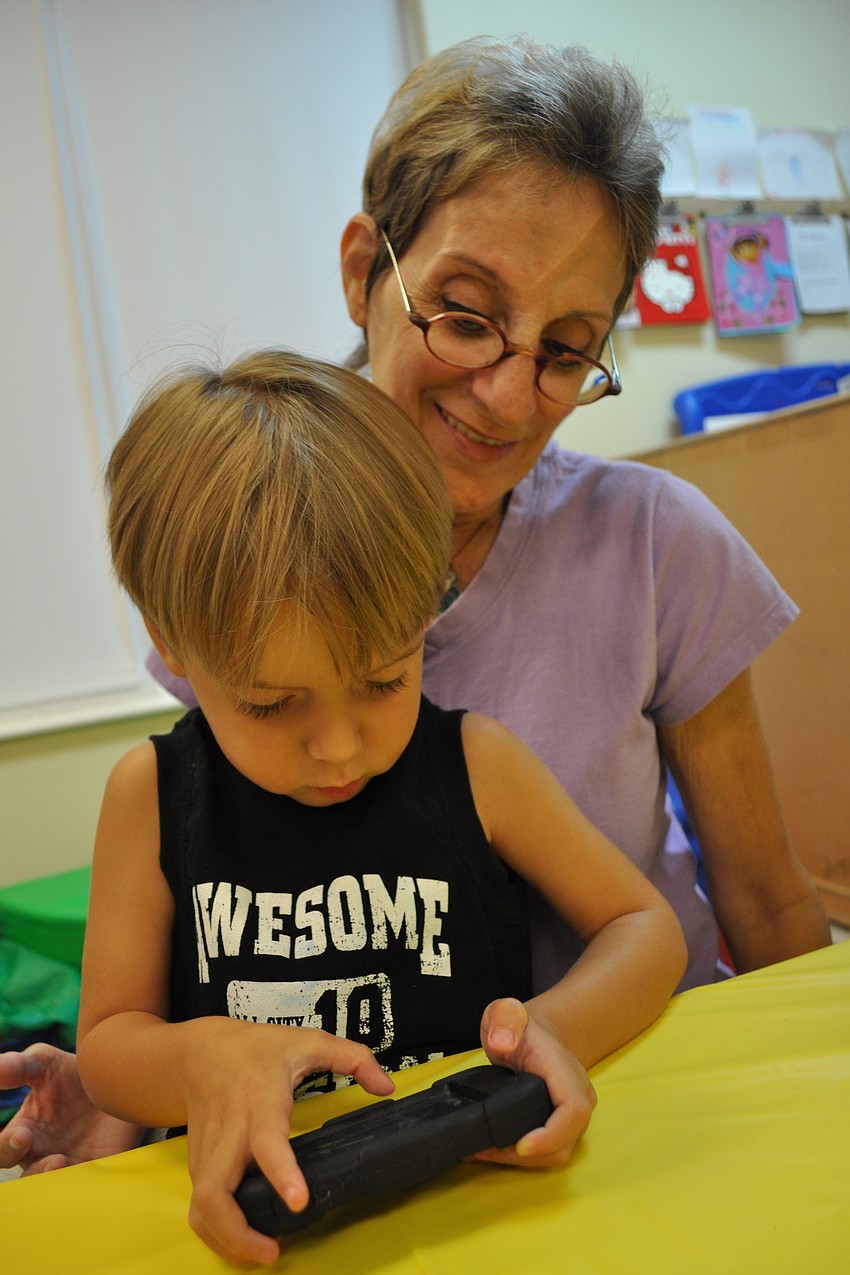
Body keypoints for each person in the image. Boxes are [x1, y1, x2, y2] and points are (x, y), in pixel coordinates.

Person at [0, 32, 828, 1187]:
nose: (504, 392)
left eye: (566, 351)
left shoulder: (657, 544)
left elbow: (763, 897)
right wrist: (136, 1086)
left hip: (634, 1102)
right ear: (362, 270)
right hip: (382, 1147)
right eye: (465, 313)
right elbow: (237, 903)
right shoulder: (240, 554)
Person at [70, 349, 683, 1264]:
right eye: (272, 704)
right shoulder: (150, 796)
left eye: (386, 677)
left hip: (491, 1209)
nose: (340, 745)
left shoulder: (479, 764)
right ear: (174, 645)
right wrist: (197, 1059)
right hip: (270, 1224)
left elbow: (645, 924)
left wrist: (556, 1025)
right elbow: (108, 1045)